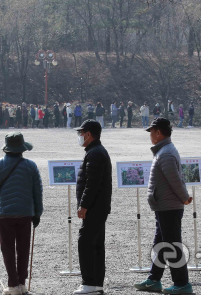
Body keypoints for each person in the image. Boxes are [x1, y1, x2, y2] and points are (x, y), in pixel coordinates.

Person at [134, 118, 193, 294]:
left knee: (172, 245)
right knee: (160, 244)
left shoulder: (165, 153)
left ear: (158, 133)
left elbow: (174, 180)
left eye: (151, 132)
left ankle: (182, 283)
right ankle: (154, 280)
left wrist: (184, 197)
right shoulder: (165, 150)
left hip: (169, 206)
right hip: (164, 206)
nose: (150, 136)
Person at [0, 132, 44, 295]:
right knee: (24, 248)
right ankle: (22, 283)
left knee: (8, 249)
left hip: (4, 214)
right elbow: (37, 191)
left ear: (6, 148)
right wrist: (37, 212)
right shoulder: (31, 166)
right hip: (25, 213)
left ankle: (12, 284)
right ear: (22, 148)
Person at [73, 120, 111, 295]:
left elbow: (92, 184)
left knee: (86, 242)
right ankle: (96, 284)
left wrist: (84, 205)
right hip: (99, 207)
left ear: (88, 134)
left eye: (81, 133)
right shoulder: (96, 151)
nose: (80, 136)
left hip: (94, 208)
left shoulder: (95, 153)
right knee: (96, 245)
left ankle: (88, 283)